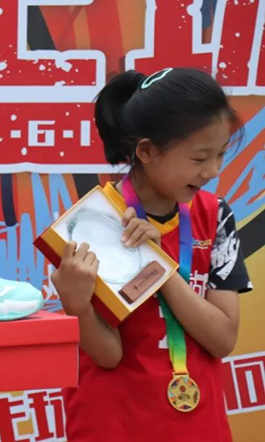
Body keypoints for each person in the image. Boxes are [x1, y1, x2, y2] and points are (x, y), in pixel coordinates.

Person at [52, 67, 252, 441]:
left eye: (221, 155)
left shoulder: (216, 216)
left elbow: (223, 339)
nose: (212, 171)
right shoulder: (95, 222)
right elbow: (109, 355)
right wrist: (77, 308)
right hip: (115, 425)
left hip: (198, 424)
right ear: (145, 151)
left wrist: (160, 265)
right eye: (199, 159)